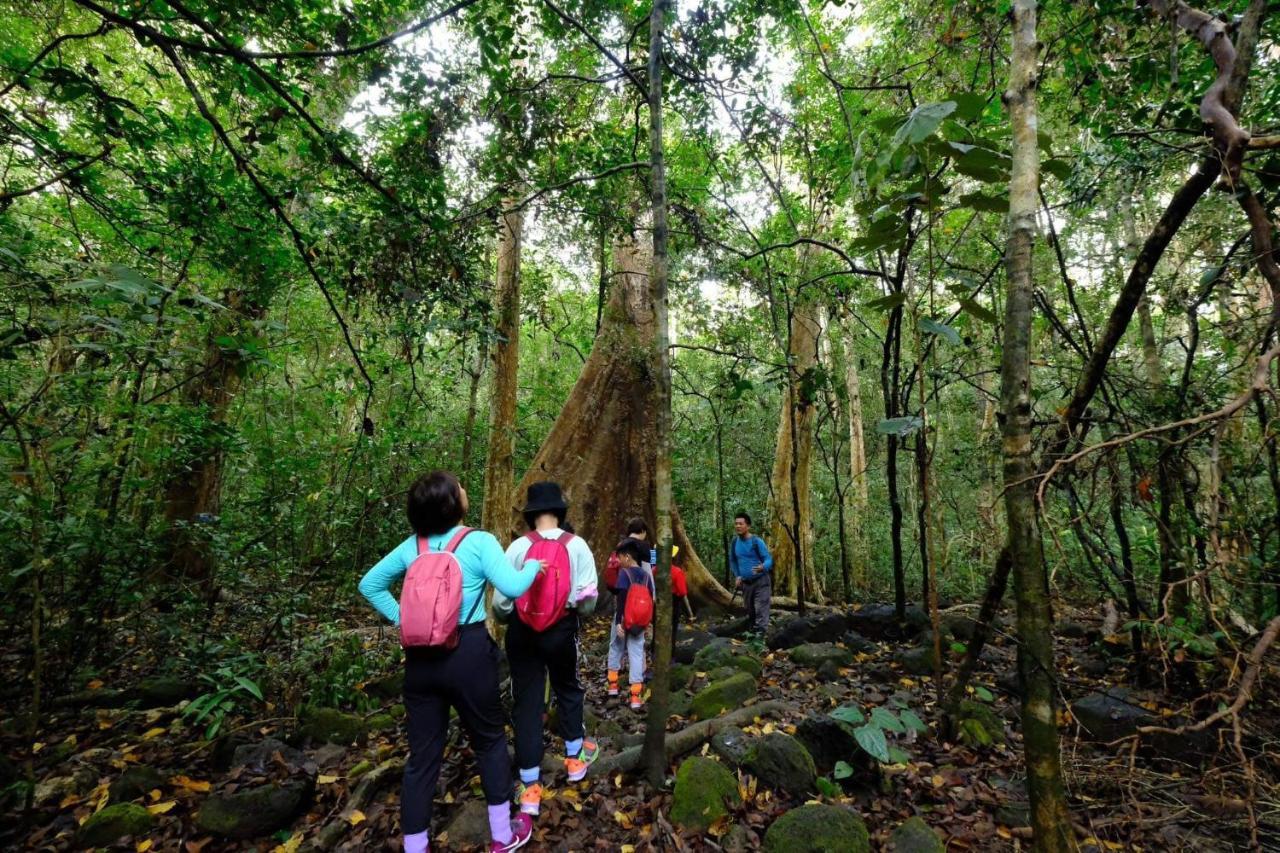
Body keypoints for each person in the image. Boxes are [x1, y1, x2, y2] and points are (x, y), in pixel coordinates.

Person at [358, 471, 538, 853]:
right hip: (468, 653)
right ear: (452, 502)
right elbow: (514, 587)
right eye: (459, 486)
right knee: (489, 740)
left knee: (422, 756)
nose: (465, 488)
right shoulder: (478, 542)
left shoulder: (413, 547)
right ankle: (503, 836)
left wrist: (404, 620)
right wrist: (535, 568)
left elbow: (369, 584)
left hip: (420, 660)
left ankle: (415, 846)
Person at [493, 482, 600, 817]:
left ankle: (529, 790)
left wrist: (518, 616)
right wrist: (567, 614)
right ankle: (575, 762)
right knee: (568, 687)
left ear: (530, 514)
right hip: (561, 631)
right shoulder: (577, 546)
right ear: (560, 511)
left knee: (527, 701)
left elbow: (500, 605)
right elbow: (588, 600)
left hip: (522, 634)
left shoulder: (516, 548)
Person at [607, 537, 654, 709]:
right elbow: (650, 600)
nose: (618, 561)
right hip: (640, 623)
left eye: (619, 557)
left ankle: (612, 686)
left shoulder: (624, 574)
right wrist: (647, 622)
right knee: (636, 653)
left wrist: (619, 621)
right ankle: (635, 696)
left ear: (627, 557)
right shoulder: (646, 576)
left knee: (616, 648)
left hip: (624, 619)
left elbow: (621, 598)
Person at [730, 512, 773, 636]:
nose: (738, 526)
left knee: (761, 609)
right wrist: (737, 575)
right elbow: (733, 560)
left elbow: (768, 559)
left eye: (741, 524)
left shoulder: (756, 541)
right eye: (736, 524)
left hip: (761, 582)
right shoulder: (734, 542)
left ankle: (760, 640)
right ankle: (752, 637)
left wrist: (763, 566)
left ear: (748, 526)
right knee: (751, 612)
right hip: (746, 584)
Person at [670, 545, 695, 646]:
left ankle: (655, 653)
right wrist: (690, 614)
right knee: (673, 630)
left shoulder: (654, 570)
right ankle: (671, 656)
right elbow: (682, 592)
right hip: (673, 602)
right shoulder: (676, 571)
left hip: (657, 605)